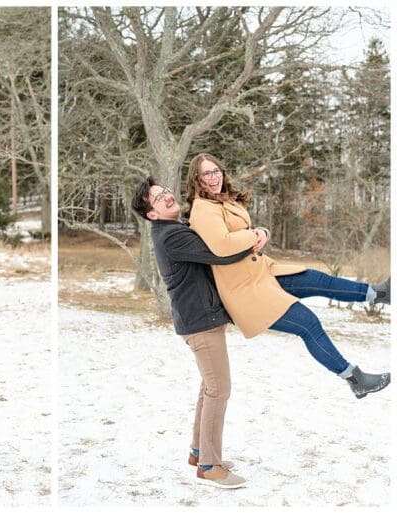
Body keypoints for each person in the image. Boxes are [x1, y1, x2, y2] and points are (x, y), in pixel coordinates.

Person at [185, 153, 390, 398]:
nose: (214, 176)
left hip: (263, 273)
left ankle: (378, 294)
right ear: (197, 179)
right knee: (308, 324)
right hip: (247, 291)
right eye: (207, 173)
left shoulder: (222, 201)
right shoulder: (203, 208)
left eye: (216, 170)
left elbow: (249, 231)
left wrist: (263, 232)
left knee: (317, 279)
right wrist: (255, 235)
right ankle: (355, 378)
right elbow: (221, 243)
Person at [132, 177, 250, 488]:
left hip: (199, 318)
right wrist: (254, 237)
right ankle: (210, 465)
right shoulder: (171, 236)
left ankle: (199, 451)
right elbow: (220, 253)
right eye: (159, 199)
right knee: (218, 389)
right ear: (152, 215)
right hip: (201, 322)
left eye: (165, 192)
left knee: (208, 387)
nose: (167, 197)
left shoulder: (175, 228)